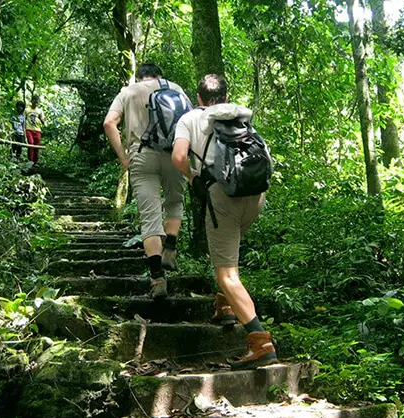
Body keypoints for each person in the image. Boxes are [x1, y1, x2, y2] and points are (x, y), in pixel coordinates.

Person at [171, 74, 277, 370]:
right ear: (226, 96)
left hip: (223, 195)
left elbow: (178, 157)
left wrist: (192, 176)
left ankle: (260, 342)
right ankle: (225, 306)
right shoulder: (239, 116)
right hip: (255, 193)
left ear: (198, 97)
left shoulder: (189, 118)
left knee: (226, 274)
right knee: (228, 254)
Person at [103, 64, 188, 298]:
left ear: (138, 77)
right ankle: (170, 248)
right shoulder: (175, 88)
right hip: (173, 154)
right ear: (159, 76)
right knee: (174, 201)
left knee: (150, 217)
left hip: (141, 155)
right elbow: (191, 122)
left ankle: (157, 278)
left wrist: (124, 158)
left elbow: (109, 123)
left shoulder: (128, 92)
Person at [25, 94, 46, 165]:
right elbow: (23, 120)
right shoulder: (27, 110)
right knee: (31, 144)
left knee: (37, 146)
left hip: (37, 130)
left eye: (37, 102)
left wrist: (42, 120)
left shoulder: (40, 110)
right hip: (29, 129)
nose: (36, 103)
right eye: (34, 101)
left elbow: (43, 120)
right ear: (31, 101)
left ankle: (35, 162)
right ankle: (30, 161)